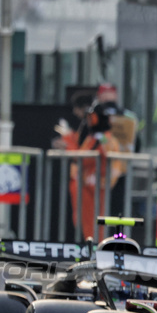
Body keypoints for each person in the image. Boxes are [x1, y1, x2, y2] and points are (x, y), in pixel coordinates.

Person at [54, 84, 125, 240]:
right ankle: (95, 246)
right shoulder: (99, 137)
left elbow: (84, 157)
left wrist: (67, 142)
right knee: (91, 222)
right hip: (94, 184)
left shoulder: (100, 138)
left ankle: (96, 248)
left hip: (93, 184)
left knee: (92, 223)